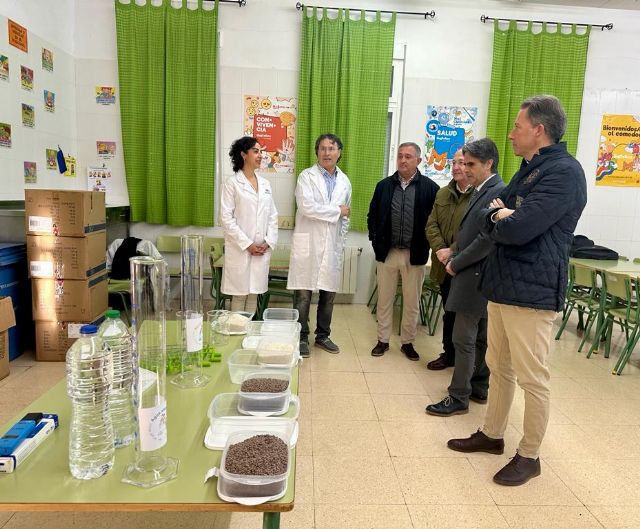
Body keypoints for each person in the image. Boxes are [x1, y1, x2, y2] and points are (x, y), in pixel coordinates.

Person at [447, 95, 587, 486]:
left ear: (539, 130)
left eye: (518, 127)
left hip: (534, 290)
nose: (511, 135)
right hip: (504, 284)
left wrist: (504, 216)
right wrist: (502, 214)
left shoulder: (564, 173)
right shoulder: (529, 170)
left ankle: (530, 455)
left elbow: (518, 227)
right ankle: (492, 434)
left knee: (532, 377)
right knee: (499, 367)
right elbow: (492, 214)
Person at [426, 138, 505, 416]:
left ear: (488, 163)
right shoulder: (482, 190)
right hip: (476, 273)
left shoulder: (497, 191)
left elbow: (487, 238)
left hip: (473, 274)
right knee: (480, 336)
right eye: (463, 163)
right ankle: (479, 385)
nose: (465, 169)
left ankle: (458, 395)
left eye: (471, 164)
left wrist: (457, 262)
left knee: (464, 338)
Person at [368, 142, 439, 361]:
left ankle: (408, 343)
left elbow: (434, 221)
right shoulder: (384, 186)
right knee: (385, 300)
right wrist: (375, 239)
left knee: (411, 302)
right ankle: (383, 340)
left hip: (414, 253)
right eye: (400, 156)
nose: (403, 160)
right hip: (387, 252)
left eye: (408, 156)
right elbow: (372, 216)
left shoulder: (430, 188)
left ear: (418, 160)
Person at [287, 133, 351, 357]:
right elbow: (307, 208)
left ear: (339, 152)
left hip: (332, 246)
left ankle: (323, 336)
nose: (327, 153)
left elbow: (346, 217)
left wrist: (339, 244)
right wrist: (336, 212)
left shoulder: (345, 181)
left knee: (328, 295)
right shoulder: (306, 177)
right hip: (309, 242)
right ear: (317, 152)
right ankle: (301, 336)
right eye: (322, 148)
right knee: (303, 295)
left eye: (331, 148)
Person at [425, 148, 473, 370]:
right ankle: (449, 354)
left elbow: (475, 231)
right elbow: (431, 224)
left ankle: (466, 361)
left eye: (461, 162)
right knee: (449, 313)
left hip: (467, 266)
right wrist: (441, 250)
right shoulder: (443, 193)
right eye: (453, 162)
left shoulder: (479, 195)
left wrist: (452, 250)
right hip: (443, 265)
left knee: (466, 318)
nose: (455, 167)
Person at [220, 136, 278, 314]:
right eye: (255, 151)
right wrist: (248, 245)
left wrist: (267, 241)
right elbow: (225, 218)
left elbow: (273, 216)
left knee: (254, 294)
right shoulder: (232, 184)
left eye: (261, 152)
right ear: (243, 154)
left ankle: (249, 337)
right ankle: (237, 337)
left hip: (261, 250)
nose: (260, 155)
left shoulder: (265, 184)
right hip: (240, 250)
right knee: (239, 295)